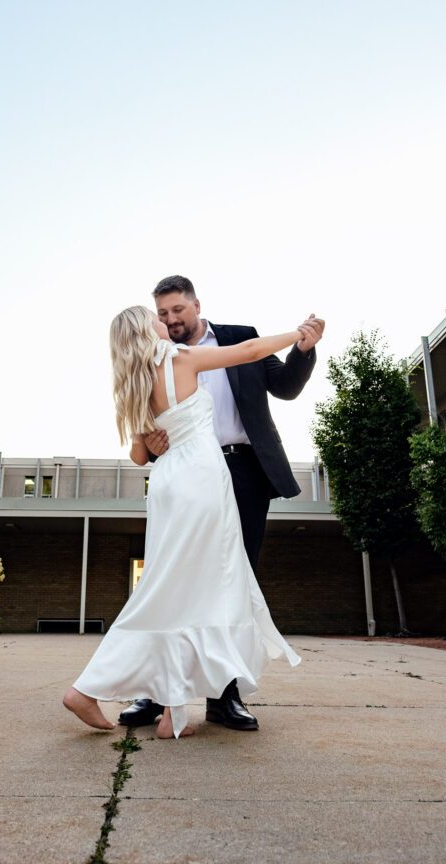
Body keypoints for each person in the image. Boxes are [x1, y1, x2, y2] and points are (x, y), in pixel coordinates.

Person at [63, 306, 308, 739]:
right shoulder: (179, 358)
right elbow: (250, 350)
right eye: (156, 318)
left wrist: (155, 440)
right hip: (199, 478)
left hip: (168, 483)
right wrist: (297, 333)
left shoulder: (134, 382)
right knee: (189, 586)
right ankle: (87, 688)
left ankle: (173, 710)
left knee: (178, 586)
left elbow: (140, 456)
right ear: (147, 330)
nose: (166, 324)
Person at [118, 276, 324, 732]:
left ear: (196, 305)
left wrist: (303, 348)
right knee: (172, 578)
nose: (171, 320)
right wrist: (150, 446)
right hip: (187, 475)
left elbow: (286, 387)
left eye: (177, 310)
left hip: (243, 471)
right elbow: (144, 436)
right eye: (163, 313)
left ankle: (223, 696)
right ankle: (155, 692)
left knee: (234, 581)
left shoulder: (238, 337)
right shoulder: (150, 359)